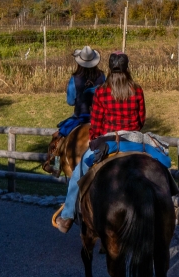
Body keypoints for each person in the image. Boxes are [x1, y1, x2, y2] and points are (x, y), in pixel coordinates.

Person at [53, 52, 145, 233]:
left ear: (110, 68)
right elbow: (141, 120)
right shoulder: (137, 89)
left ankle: (67, 216)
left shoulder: (102, 91)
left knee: (77, 174)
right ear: (127, 68)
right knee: (160, 161)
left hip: (108, 140)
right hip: (134, 140)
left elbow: (96, 124)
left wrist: (95, 138)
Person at [41, 46, 104, 175]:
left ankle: (56, 166)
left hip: (80, 116)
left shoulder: (75, 78)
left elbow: (70, 101)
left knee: (58, 138)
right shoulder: (102, 76)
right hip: (99, 117)